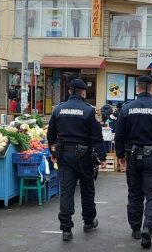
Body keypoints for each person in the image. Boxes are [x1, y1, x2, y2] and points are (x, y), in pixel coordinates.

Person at [115, 76, 152, 249]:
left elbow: (119, 135)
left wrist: (120, 155)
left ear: (137, 88)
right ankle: (148, 227)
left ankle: (135, 228)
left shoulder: (126, 108)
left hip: (132, 156)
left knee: (134, 192)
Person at [47, 79, 106, 242]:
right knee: (87, 189)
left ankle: (66, 229)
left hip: (64, 156)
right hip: (84, 156)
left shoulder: (58, 109)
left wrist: (52, 151)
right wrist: (102, 157)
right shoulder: (88, 111)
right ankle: (88, 221)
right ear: (83, 92)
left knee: (67, 191)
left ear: (69, 92)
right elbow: (97, 136)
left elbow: (50, 134)